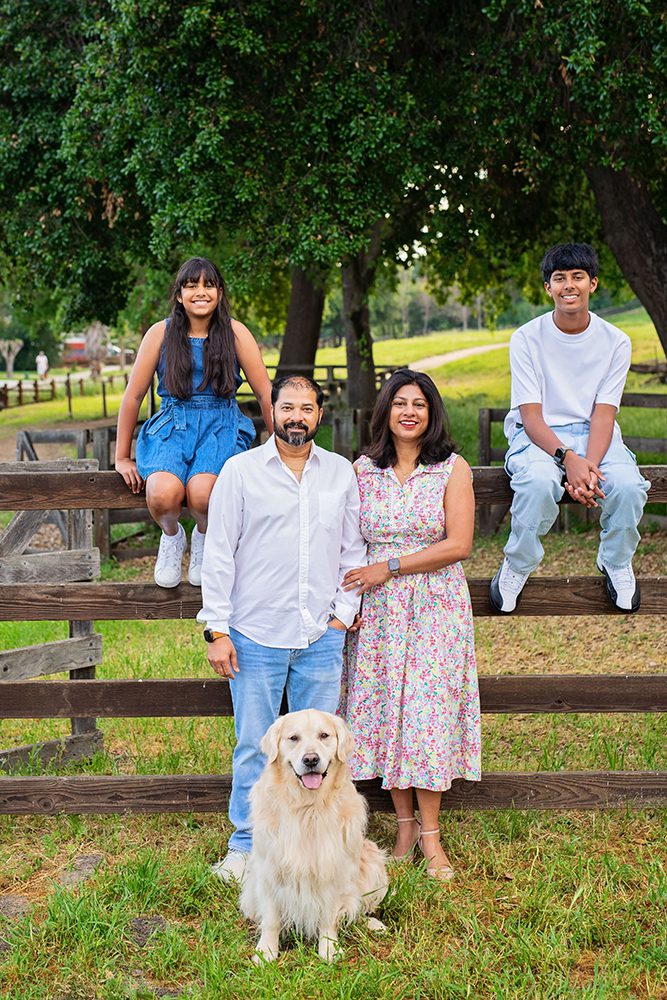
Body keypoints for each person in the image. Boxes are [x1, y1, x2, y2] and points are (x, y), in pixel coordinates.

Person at [198, 375, 367, 883]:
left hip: (320, 636)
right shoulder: (241, 472)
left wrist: (341, 616)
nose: (297, 416)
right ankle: (246, 846)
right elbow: (219, 551)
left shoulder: (339, 473)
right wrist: (216, 630)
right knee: (257, 745)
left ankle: (316, 844)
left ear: (320, 415)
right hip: (254, 634)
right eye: (287, 407)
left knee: (321, 751)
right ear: (272, 412)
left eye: (306, 408)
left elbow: (353, 549)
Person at [339, 369, 481, 881]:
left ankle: (432, 836)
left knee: (427, 713)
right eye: (400, 403)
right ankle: (403, 827)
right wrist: (346, 603)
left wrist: (392, 566)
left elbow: (459, 544)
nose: (409, 412)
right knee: (386, 712)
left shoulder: (451, 469)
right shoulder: (362, 471)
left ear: (431, 412)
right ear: (386, 411)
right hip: (378, 611)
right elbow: (347, 541)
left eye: (419, 404)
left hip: (435, 605)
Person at [489, 243, 651, 614]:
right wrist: (568, 458)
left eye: (578, 277)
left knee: (628, 487)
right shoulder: (526, 338)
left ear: (593, 283)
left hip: (597, 435)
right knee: (537, 483)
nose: (569, 286)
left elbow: (604, 414)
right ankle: (518, 563)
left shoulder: (616, 341)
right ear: (548, 288)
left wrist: (587, 466)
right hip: (539, 435)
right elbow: (531, 417)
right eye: (559, 278)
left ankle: (616, 561)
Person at [115, 257, 273, 588]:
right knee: (162, 493)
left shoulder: (235, 333)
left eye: (209, 285)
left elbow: (265, 394)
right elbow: (133, 396)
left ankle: (203, 536)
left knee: (203, 494)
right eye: (191, 285)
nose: (200, 292)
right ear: (179, 294)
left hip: (221, 425)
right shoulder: (160, 333)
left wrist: (278, 449)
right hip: (173, 424)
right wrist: (122, 457)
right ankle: (172, 537)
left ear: (220, 292)